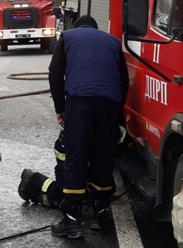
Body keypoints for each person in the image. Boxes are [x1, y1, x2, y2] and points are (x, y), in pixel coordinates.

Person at [48, 15, 129, 239]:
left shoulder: (67, 37)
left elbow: (55, 73)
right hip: (109, 102)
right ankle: (99, 209)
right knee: (103, 154)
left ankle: (72, 221)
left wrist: (60, 108)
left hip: (80, 100)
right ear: (95, 28)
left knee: (76, 154)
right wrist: (117, 115)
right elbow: (123, 80)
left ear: (77, 27)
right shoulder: (113, 41)